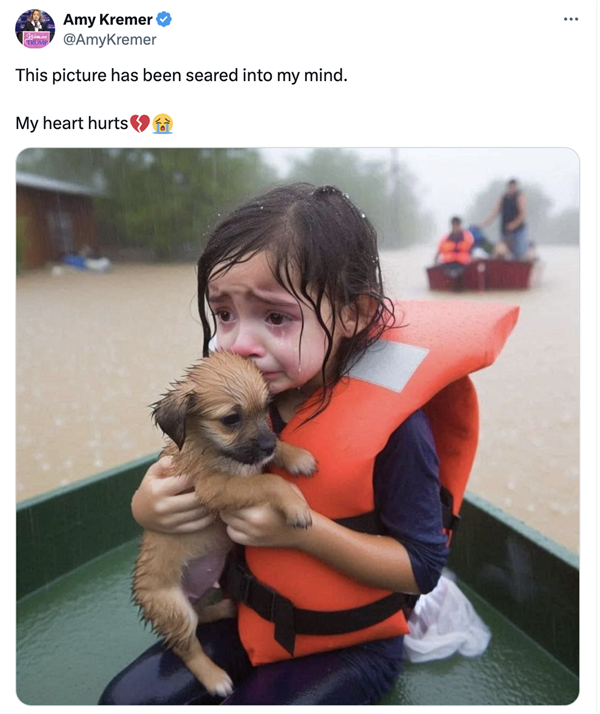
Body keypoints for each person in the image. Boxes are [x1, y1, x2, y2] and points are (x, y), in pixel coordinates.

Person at [99, 184, 516, 705]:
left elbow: (421, 568)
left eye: (275, 317)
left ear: (354, 314)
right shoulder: (242, 393)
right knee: (124, 701)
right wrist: (149, 506)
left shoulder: (400, 431)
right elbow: (182, 469)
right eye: (224, 313)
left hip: (348, 641)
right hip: (244, 612)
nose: (239, 344)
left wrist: (304, 534)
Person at [478, 179, 529, 259]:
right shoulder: (503, 198)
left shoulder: (519, 196)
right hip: (506, 232)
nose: (512, 189)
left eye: (513, 187)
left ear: (516, 187)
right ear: (508, 187)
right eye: (510, 187)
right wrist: (482, 224)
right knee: (501, 253)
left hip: (518, 231)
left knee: (519, 253)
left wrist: (514, 224)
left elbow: (523, 213)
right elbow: (494, 213)